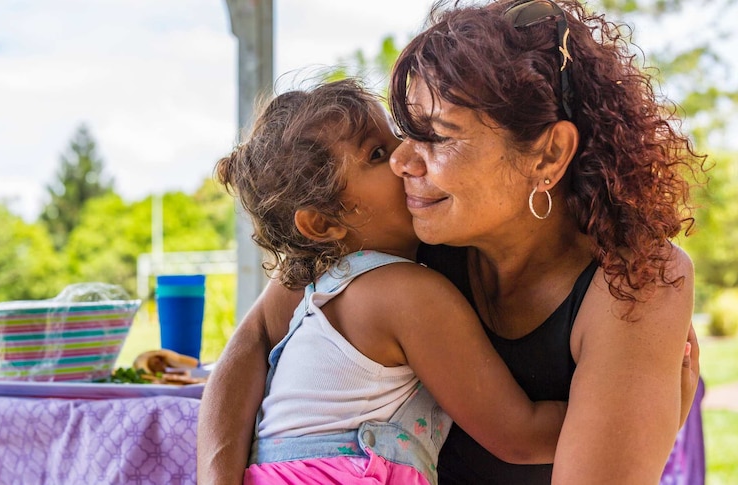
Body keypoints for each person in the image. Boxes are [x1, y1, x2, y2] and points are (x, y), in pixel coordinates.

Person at [198, 1, 705, 483]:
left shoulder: (635, 281)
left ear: (549, 155)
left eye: (436, 136)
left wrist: (638, 425)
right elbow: (258, 336)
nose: (401, 160)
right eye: (404, 131)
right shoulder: (401, 237)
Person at [211, 78, 567, 484]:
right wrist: (631, 409)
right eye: (377, 154)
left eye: (396, 135)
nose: (403, 156)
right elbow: (519, 436)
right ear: (323, 222)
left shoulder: (328, 288)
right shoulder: (404, 295)